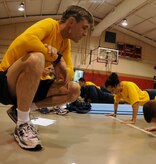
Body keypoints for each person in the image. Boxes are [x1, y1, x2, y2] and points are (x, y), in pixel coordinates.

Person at [0, 5, 94, 150]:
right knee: (36, 58)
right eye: (84, 28)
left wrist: (57, 65)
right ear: (71, 22)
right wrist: (55, 58)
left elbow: (68, 72)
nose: (84, 34)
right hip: (7, 82)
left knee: (73, 89)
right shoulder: (50, 24)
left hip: (32, 87)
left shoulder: (65, 43)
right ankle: (23, 124)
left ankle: (21, 110)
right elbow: (26, 40)